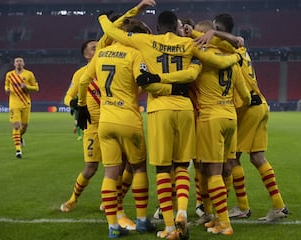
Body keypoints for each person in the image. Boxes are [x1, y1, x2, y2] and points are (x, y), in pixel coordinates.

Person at [98, 4, 243, 239]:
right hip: (185, 108)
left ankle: (168, 226)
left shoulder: (145, 42)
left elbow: (112, 32)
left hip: (159, 109)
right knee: (182, 166)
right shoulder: (188, 44)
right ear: (178, 26)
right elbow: (215, 60)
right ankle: (183, 212)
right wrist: (235, 56)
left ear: (157, 28)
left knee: (163, 169)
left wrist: (105, 17)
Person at [194, 13, 289, 222]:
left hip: (245, 107)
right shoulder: (241, 51)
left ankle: (240, 207)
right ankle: (278, 205)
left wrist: (210, 33)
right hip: (260, 104)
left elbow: (234, 40)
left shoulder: (231, 49)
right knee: (257, 157)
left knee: (232, 158)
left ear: (217, 30)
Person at [77, 15, 160, 238]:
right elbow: (144, 82)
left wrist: (82, 106)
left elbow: (84, 81)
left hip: (105, 120)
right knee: (139, 168)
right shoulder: (135, 54)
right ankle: (142, 220)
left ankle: (113, 226)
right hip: (128, 118)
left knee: (111, 173)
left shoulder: (101, 53)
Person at [60, 39, 100, 213]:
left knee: (119, 166)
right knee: (90, 168)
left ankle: (112, 201)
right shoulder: (80, 74)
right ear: (86, 55)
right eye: (93, 48)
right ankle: (73, 199)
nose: (97, 48)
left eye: (99, 46)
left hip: (112, 122)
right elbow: (68, 97)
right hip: (91, 127)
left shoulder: (110, 68)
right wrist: (74, 103)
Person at [4, 56, 39, 159]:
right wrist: (7, 89)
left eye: (20, 61)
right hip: (13, 104)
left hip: (25, 104)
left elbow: (36, 88)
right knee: (16, 126)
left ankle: (20, 137)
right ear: (14, 64)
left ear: (23, 64)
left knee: (24, 127)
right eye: (17, 61)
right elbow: (6, 85)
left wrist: (27, 87)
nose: (18, 63)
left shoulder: (29, 74)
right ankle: (18, 150)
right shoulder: (9, 75)